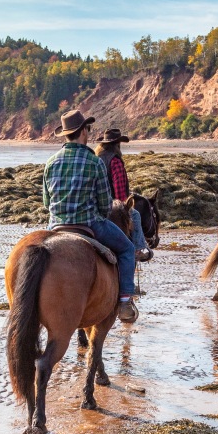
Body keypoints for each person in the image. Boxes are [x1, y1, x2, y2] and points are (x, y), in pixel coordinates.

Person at [42, 109, 139, 323]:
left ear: (65, 134)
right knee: (127, 249)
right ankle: (125, 301)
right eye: (87, 128)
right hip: (88, 224)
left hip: (55, 226)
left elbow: (46, 203)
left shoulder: (51, 162)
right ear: (83, 131)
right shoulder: (94, 162)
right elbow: (105, 206)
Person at [95, 128, 153, 261]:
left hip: (95, 206)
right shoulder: (115, 161)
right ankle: (139, 248)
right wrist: (125, 204)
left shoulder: (96, 158)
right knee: (136, 215)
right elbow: (120, 193)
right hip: (112, 206)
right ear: (117, 144)